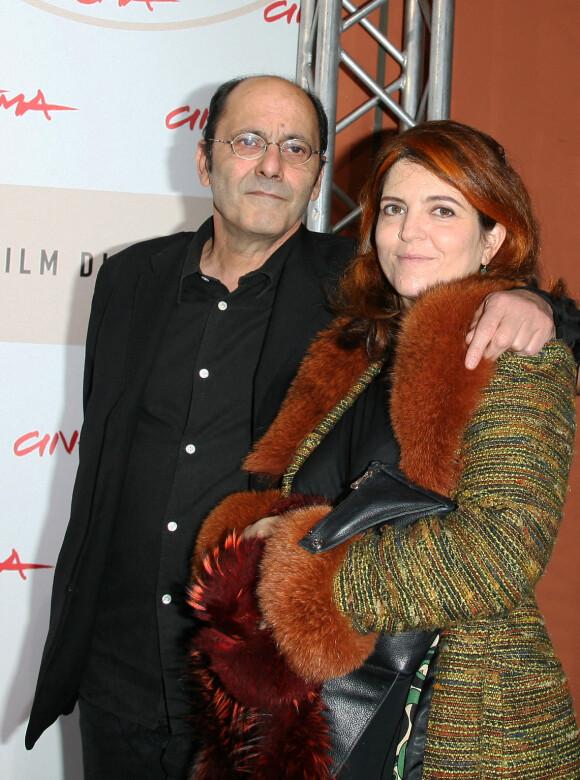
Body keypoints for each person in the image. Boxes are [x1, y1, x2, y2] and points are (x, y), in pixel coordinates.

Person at [25, 72, 571, 780]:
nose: (271, 164)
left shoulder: (348, 289)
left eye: (296, 148)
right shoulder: (138, 281)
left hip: (382, 705)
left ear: (317, 177)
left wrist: (538, 306)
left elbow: (501, 528)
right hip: (135, 670)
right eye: (248, 140)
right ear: (205, 158)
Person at [189, 120, 580, 779]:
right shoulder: (357, 354)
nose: (408, 232)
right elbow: (296, 500)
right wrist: (250, 545)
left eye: (443, 210)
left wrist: (310, 579)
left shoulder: (513, 354)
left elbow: (503, 548)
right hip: (314, 721)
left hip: (456, 726)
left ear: (495, 237)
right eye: (394, 209)